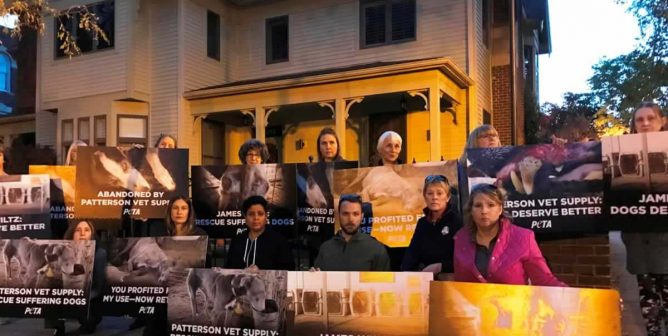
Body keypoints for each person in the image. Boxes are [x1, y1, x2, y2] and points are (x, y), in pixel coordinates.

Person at [453, 183, 566, 286]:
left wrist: (574, 298)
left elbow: (544, 280)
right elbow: (459, 283)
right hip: (472, 307)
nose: (484, 211)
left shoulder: (524, 237)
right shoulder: (461, 238)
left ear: (500, 209)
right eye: (478, 205)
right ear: (471, 210)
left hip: (513, 307)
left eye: (491, 205)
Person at [621, 102, 667, 336]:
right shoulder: (622, 152)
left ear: (662, 121)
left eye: (651, 118)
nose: (646, 123)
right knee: (648, 299)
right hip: (640, 240)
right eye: (640, 119)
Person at [401, 175, 462, 276]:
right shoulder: (422, 223)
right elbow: (412, 254)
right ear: (425, 197)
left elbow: (464, 261)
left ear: (448, 197)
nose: (434, 197)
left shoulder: (457, 222)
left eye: (439, 193)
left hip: (449, 281)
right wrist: (405, 275)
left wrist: (440, 266)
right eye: (430, 193)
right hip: (424, 279)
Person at [314, 194, 390, 271]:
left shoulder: (377, 249)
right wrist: (312, 276)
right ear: (338, 215)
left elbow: (384, 282)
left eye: (355, 214)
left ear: (362, 216)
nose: (350, 219)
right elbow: (317, 281)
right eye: (345, 214)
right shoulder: (326, 248)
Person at [226, 196, 294, 271]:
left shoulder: (279, 241)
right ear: (245, 217)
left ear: (266, 217)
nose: (256, 218)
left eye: (260, 214)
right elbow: (228, 269)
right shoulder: (237, 241)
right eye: (251, 214)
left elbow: (288, 270)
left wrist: (262, 274)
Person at [64, 220, 106, 334]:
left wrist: (78, 298)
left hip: (91, 299)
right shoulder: (63, 252)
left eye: (86, 230)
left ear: (92, 235)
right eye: (78, 230)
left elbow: (98, 288)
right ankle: (56, 327)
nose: (82, 233)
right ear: (72, 234)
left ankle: (89, 322)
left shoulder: (100, 254)